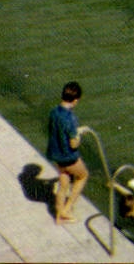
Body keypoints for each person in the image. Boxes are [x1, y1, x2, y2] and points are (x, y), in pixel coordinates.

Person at [46, 81, 87, 223]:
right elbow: (74, 144)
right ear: (75, 100)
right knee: (83, 176)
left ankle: (59, 215)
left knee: (63, 184)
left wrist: (75, 131)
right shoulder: (71, 118)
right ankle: (67, 209)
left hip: (56, 155)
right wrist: (79, 135)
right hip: (68, 157)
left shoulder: (54, 112)